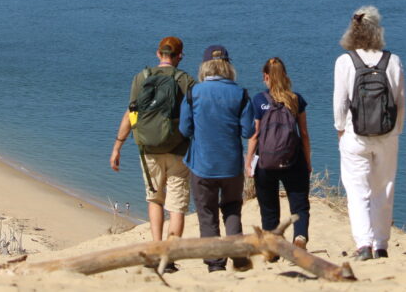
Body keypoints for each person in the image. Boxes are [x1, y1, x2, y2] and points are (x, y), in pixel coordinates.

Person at [333, 6, 405, 261]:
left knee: (356, 189)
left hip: (355, 136)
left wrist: (340, 128)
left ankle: (363, 244)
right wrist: (396, 130)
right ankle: (381, 244)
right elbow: (400, 100)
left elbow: (340, 101)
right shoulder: (392, 60)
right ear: (378, 30)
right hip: (386, 136)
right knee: (384, 188)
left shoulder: (345, 61)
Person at [110, 36, 195, 243]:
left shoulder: (141, 77)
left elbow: (132, 113)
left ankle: (156, 247)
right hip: (179, 150)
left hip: (148, 148)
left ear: (158, 53)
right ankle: (170, 253)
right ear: (180, 56)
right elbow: (196, 114)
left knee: (155, 199)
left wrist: (117, 146)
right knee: (176, 207)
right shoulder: (185, 80)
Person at [179, 45, 255, 272]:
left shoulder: (194, 93)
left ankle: (215, 263)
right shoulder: (240, 94)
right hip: (231, 164)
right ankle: (237, 253)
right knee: (232, 207)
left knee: (206, 212)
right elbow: (248, 131)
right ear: (228, 66)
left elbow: (184, 129)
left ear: (204, 66)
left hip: (202, 164)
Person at [245, 57, 312, 250]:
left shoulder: (259, 100)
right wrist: (307, 160)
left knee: (269, 208)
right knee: (299, 205)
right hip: (294, 160)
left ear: (266, 76)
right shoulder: (296, 99)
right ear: (285, 76)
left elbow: (255, 135)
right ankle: (299, 237)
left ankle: (273, 246)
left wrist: (249, 162)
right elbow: (304, 134)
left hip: (266, 162)